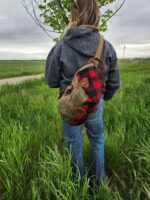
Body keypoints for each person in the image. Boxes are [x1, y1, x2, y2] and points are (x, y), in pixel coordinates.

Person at [45, 0, 120, 184]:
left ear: (73, 16)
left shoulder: (61, 45)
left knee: (73, 143)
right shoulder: (106, 45)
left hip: (70, 104)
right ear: (96, 16)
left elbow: (51, 80)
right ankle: (99, 183)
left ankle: (79, 185)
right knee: (97, 140)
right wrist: (104, 96)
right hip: (95, 103)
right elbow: (114, 81)